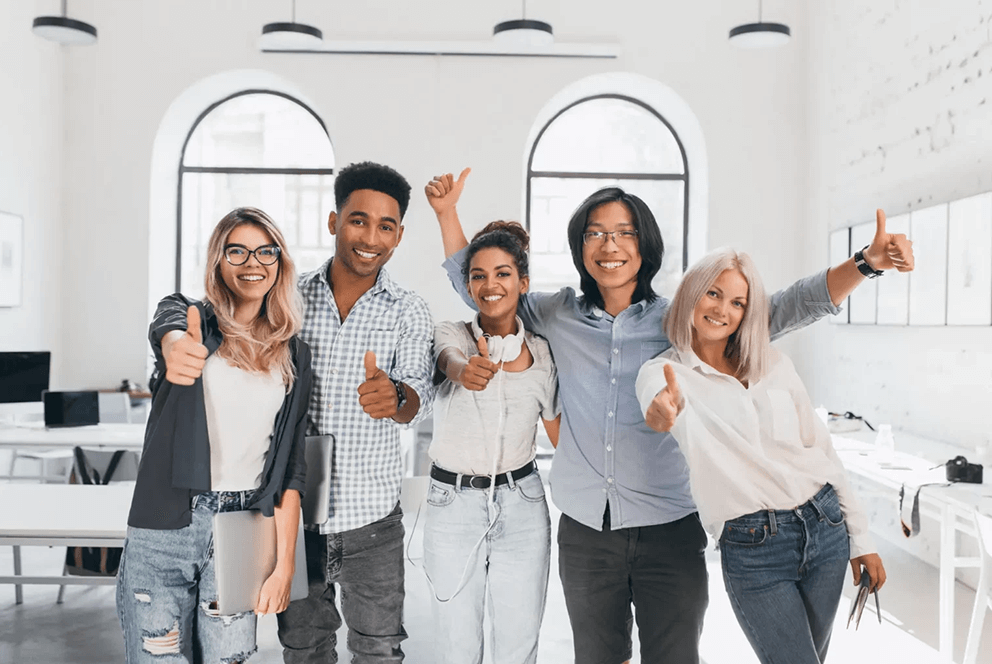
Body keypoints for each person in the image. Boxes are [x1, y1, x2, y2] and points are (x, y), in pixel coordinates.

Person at [431, 169, 913, 664]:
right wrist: (448, 215)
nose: (609, 244)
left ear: (646, 246)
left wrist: (864, 264)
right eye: (595, 233)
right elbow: (487, 288)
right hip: (587, 533)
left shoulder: (682, 318)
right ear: (581, 247)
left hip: (670, 527)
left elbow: (783, 309)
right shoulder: (556, 314)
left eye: (624, 233)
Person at [635, 247, 889, 664]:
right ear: (691, 294)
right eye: (713, 294)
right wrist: (661, 412)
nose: (723, 310)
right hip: (755, 546)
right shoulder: (666, 374)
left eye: (738, 303)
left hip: (825, 529)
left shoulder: (773, 362)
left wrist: (861, 539)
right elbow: (657, 406)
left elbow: (821, 450)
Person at [117, 207, 312, 663]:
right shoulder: (193, 325)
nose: (252, 262)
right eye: (237, 250)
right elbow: (166, 321)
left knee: (230, 659)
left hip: (244, 525)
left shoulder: (294, 354)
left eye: (266, 251)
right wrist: (172, 347)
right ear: (218, 262)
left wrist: (284, 566)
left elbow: (292, 470)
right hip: (166, 525)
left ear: (280, 263)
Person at [276, 161, 435, 664]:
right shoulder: (287, 298)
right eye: (358, 220)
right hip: (295, 518)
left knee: (379, 651)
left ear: (399, 235)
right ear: (333, 222)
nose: (371, 236)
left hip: (374, 524)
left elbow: (418, 394)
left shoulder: (408, 309)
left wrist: (397, 397)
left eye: (386, 226)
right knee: (304, 649)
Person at [422, 184, 561, 664]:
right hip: (451, 505)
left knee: (519, 643)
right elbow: (448, 361)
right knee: (457, 644)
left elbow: (563, 437)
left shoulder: (544, 354)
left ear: (523, 282)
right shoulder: (451, 333)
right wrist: (466, 372)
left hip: (523, 505)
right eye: (478, 276)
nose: (490, 284)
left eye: (503, 273)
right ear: (468, 286)